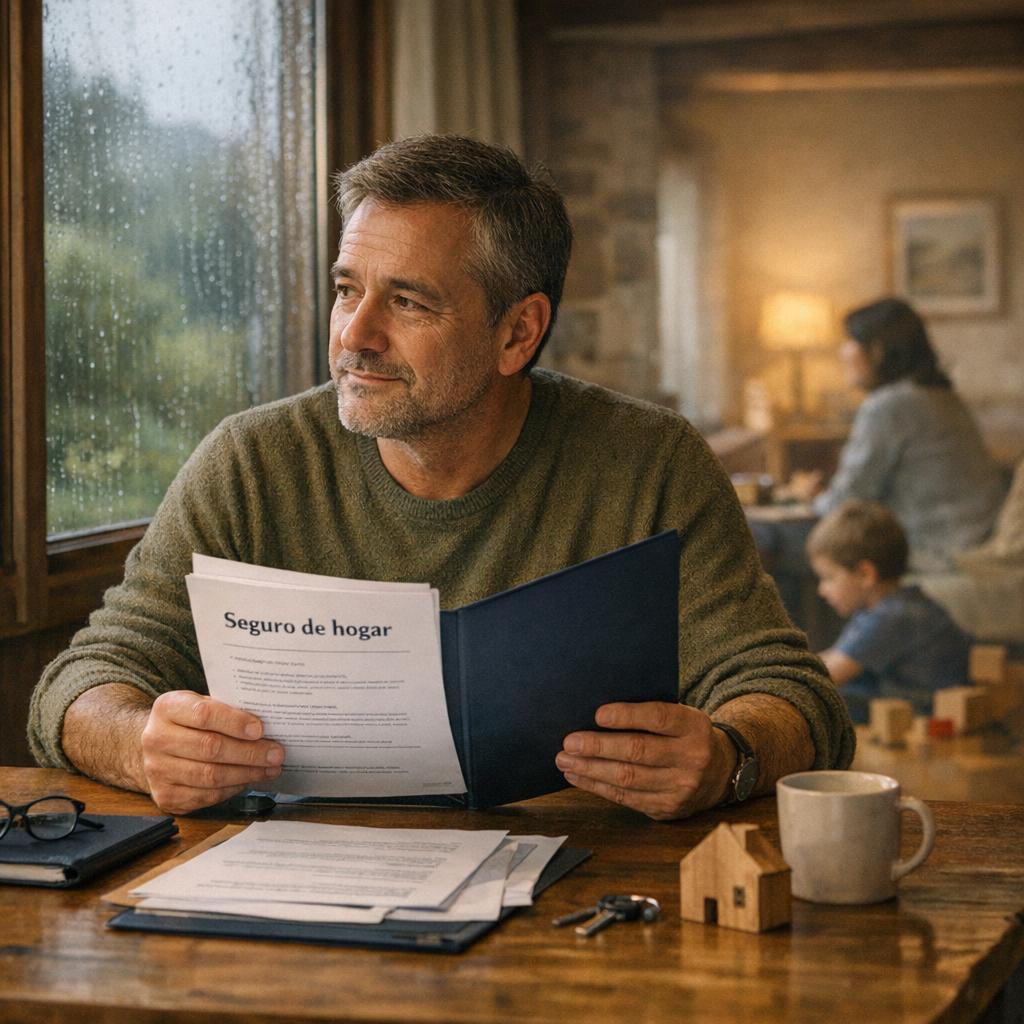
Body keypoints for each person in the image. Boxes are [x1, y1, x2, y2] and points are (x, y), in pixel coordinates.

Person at [29, 134, 853, 819]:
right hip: (298, 896)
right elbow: (79, 684)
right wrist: (142, 746)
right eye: (346, 290)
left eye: (409, 303)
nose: (356, 334)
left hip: (584, 899)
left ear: (518, 333)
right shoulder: (251, 461)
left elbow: (792, 694)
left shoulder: (650, 463)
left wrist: (730, 758)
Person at [801, 297, 1006, 574]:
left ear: (878, 351)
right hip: (977, 536)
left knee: (777, 538)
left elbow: (846, 503)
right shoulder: (941, 395)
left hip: (935, 550)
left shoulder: (888, 406)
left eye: (850, 341)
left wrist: (813, 497)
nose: (843, 352)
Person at [807, 499, 973, 724]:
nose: (822, 590)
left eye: (828, 578)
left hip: (927, 714)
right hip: (902, 697)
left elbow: (825, 674)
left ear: (865, 574)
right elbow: (836, 658)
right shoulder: (887, 606)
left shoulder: (894, 616)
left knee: (821, 700)